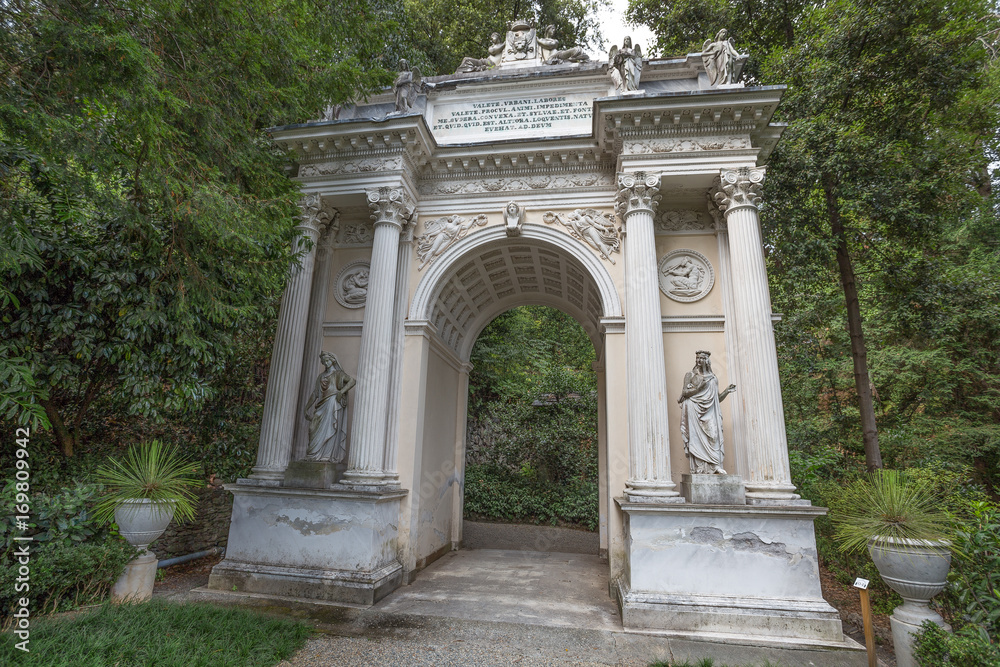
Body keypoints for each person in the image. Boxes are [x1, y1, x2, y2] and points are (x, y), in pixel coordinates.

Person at [678, 351, 735, 474]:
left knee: (713, 435)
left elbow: (716, 399)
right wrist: (699, 388)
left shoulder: (713, 378)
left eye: (702, 358)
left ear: (707, 361)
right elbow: (684, 393)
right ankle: (700, 468)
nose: (699, 361)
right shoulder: (690, 375)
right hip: (693, 408)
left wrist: (726, 391)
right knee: (695, 438)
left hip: (709, 411)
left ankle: (715, 465)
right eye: (697, 358)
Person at [304, 352, 356, 462]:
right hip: (321, 405)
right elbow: (315, 393)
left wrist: (341, 392)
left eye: (327, 360)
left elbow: (352, 381)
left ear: (332, 361)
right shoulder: (321, 376)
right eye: (324, 361)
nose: (326, 363)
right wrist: (307, 408)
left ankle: (326, 455)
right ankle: (313, 455)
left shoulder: (338, 374)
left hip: (332, 403)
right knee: (313, 428)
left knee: (330, 427)